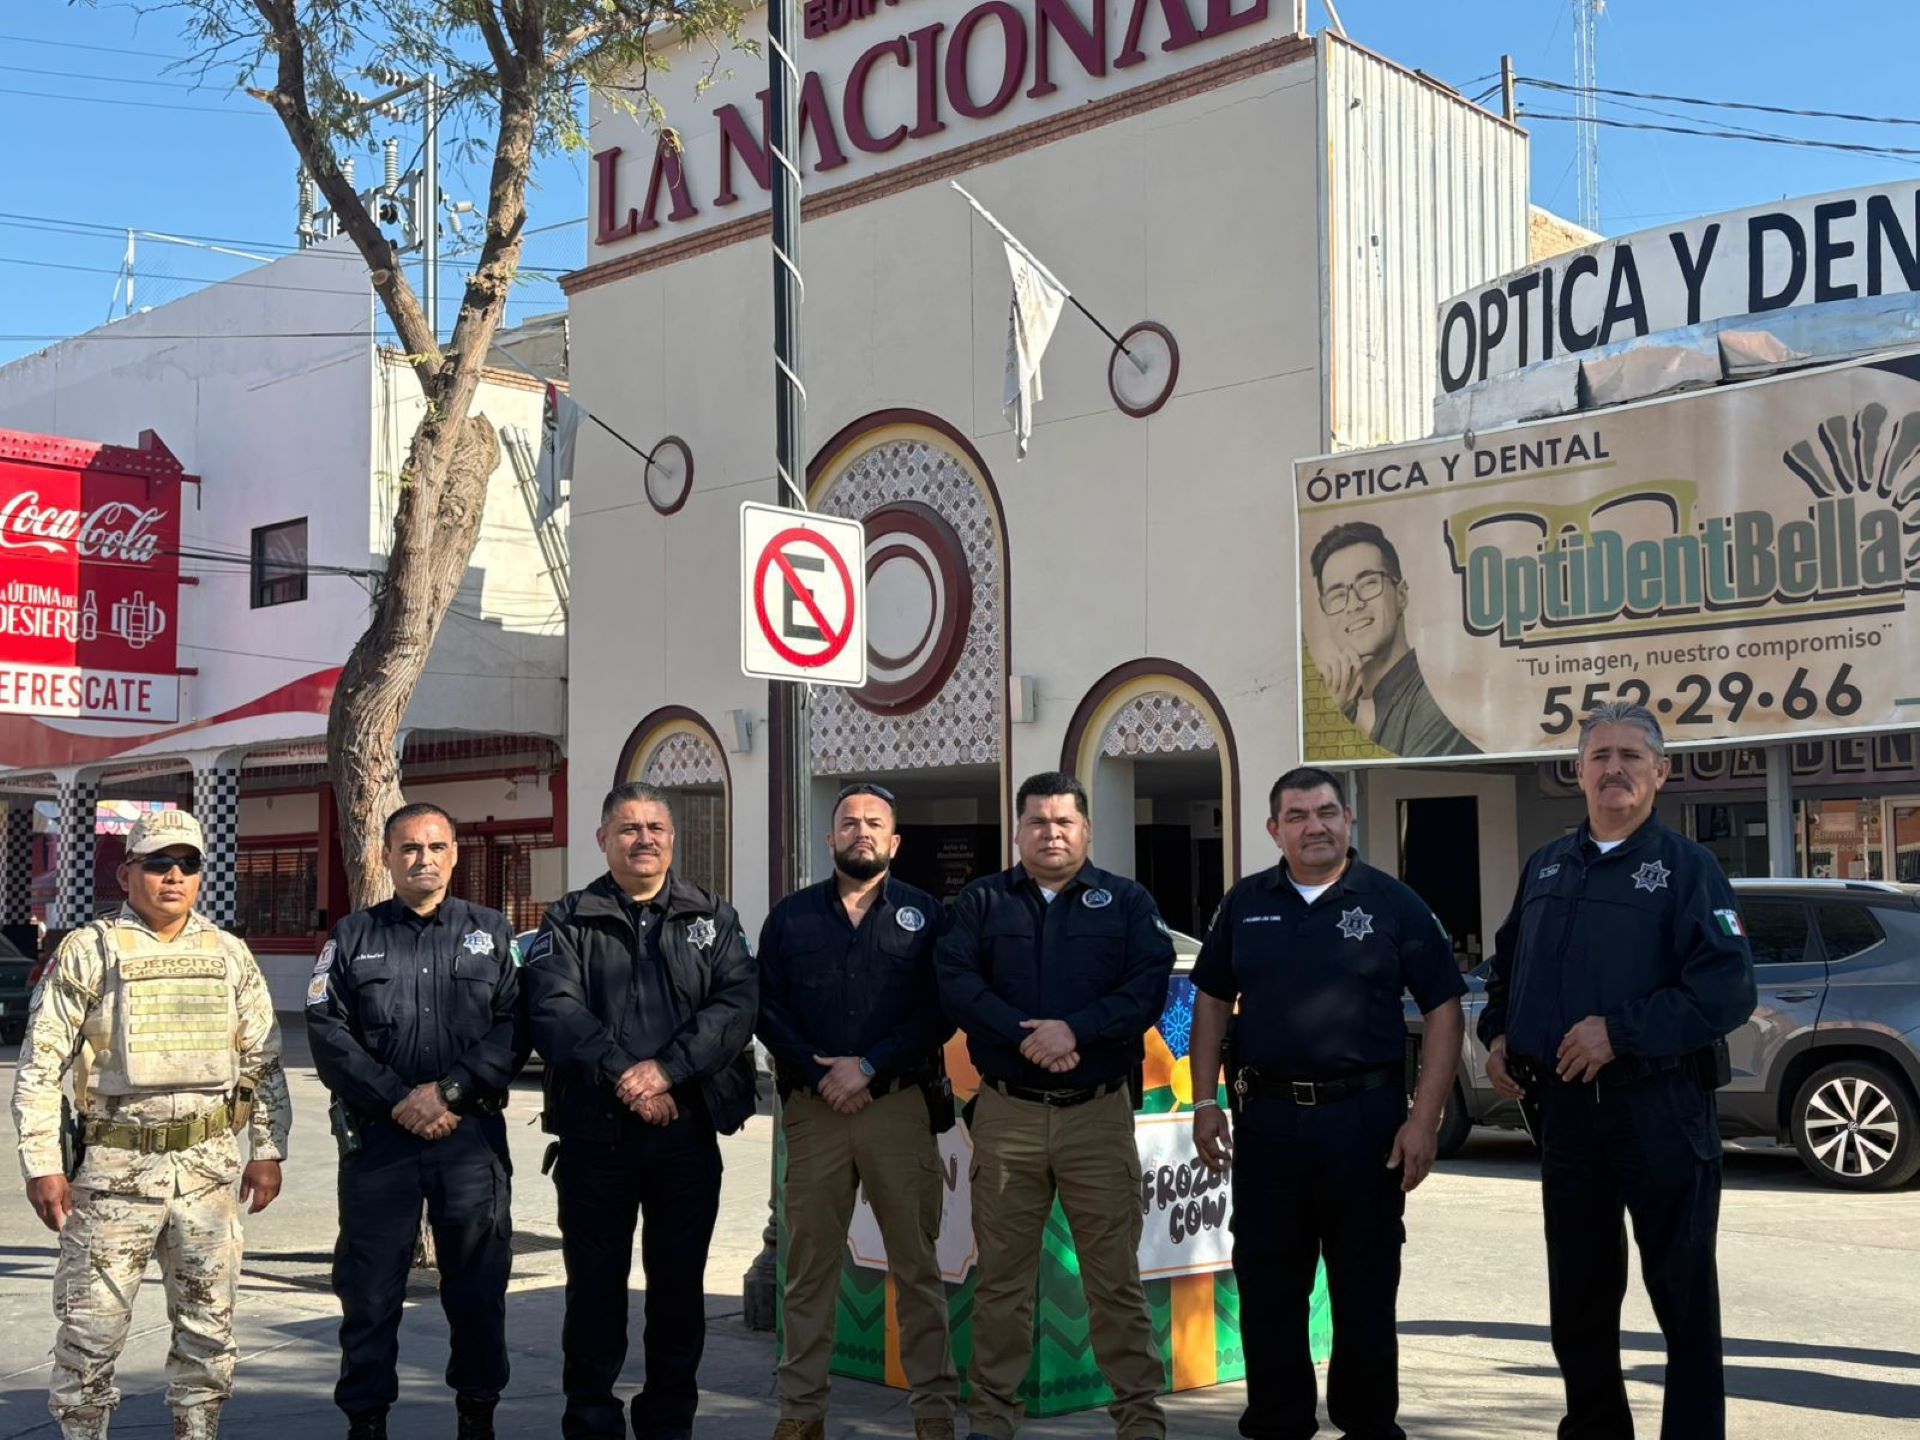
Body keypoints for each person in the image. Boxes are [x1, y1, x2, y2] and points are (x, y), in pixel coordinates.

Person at [1480, 702, 1756, 1440]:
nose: (1614, 769)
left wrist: (1621, 1033)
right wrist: (1500, 1031)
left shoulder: (1687, 870)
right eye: (1599, 756)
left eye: (1631, 756)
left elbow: (1726, 990)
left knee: (1683, 1292)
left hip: (1660, 1107)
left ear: (1660, 773)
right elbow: (1508, 966)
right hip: (1569, 1117)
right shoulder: (1547, 865)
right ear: (1577, 772)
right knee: (1580, 1294)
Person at [1189, 768, 1466, 1440]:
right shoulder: (1245, 903)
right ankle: (1279, 1422)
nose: (1314, 825)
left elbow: (1444, 1010)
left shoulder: (1394, 902)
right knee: (1268, 1284)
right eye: (1296, 815)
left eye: (1325, 811)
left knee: (1366, 1289)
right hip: (1269, 1124)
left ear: (1348, 818)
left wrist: (1422, 1121)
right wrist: (1204, 1101)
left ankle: (1369, 1425)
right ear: (1273, 829)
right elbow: (1211, 1003)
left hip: (1364, 1124)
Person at [9, 808, 291, 1440]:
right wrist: (43, 1164)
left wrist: (268, 1148)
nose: (173, 876)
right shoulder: (90, 949)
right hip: (112, 1178)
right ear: (126, 871)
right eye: (158, 863)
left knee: (208, 1334)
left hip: (208, 1176)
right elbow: (39, 1065)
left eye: (187, 864)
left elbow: (263, 1061)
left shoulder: (229, 954)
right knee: (90, 1335)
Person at [936, 771, 1174, 1440]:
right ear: (1017, 830)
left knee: (1115, 1281)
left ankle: (1139, 1421)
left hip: (1096, 1115)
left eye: (1063, 821)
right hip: (1008, 1114)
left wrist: (1077, 1030)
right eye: (1037, 821)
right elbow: (956, 983)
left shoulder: (1126, 903)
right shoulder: (982, 902)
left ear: (1087, 829)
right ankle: (992, 1422)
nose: (1051, 832)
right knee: (1003, 1286)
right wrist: (1028, 1036)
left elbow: (1146, 986)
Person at [525, 782, 759, 1440]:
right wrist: (626, 1075)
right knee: (595, 1289)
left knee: (678, 1289)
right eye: (628, 828)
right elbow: (553, 1010)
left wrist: (668, 1072)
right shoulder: (568, 919)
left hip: (685, 1132)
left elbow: (735, 1005)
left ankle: (667, 1422)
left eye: (655, 826)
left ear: (672, 837)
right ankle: (592, 1420)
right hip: (595, 1135)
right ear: (603, 840)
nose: (644, 838)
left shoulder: (711, 916)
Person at [306, 802, 528, 1440]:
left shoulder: (491, 930)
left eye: (436, 847)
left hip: (470, 1141)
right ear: (387, 857)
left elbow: (517, 1026)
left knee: (479, 1287)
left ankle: (477, 1415)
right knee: (370, 1292)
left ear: (454, 854)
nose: (423, 859)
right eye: (409, 848)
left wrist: (450, 1094)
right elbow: (328, 1033)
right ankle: (367, 1420)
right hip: (381, 1143)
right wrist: (400, 1099)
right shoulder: (351, 937)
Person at [756, 782, 959, 1440]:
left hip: (895, 1107)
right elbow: (766, 1006)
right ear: (831, 837)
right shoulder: (791, 919)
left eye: (875, 823)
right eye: (849, 822)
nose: (861, 831)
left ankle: (933, 1411)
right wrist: (825, 1074)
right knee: (808, 1269)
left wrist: (869, 1066)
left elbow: (939, 1009)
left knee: (917, 1268)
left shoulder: (926, 915)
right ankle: (801, 1411)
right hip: (815, 1111)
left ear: (895, 842)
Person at [1308, 520, 1478, 758]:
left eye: (1368, 584)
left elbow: (1399, 785)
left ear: (1401, 595)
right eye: (1337, 596)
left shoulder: (1438, 698)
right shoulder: (1345, 705)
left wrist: (1331, 723)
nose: (1354, 605)